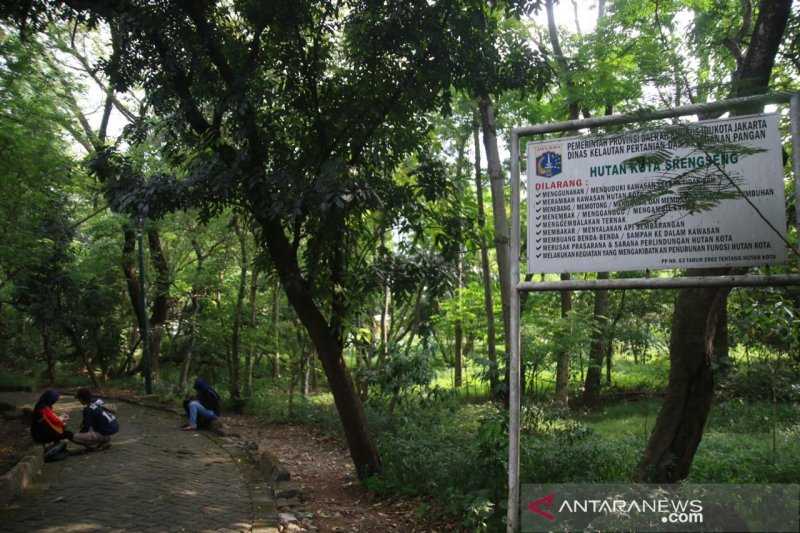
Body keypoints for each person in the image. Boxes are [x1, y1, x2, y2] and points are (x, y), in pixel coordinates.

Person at [30, 389, 73, 461]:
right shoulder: (44, 408)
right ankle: (50, 453)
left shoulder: (41, 406)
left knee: (63, 431)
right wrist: (62, 419)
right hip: (41, 434)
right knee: (67, 434)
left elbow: (51, 419)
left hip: (39, 431)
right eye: (54, 400)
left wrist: (61, 418)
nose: (54, 402)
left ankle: (55, 450)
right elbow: (55, 420)